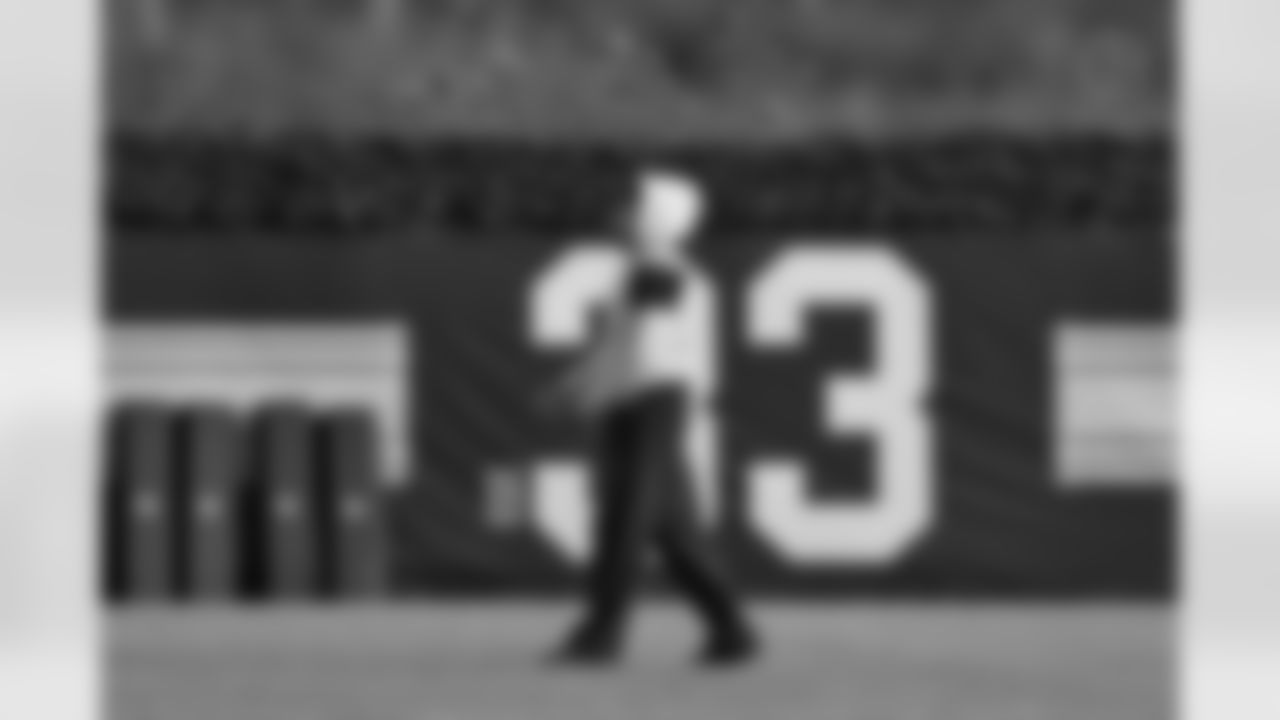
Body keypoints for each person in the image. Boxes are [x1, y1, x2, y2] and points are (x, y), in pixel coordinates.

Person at [540, 168, 760, 667]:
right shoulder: (643, 270)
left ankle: (602, 634)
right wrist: (576, 385)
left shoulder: (657, 267)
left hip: (651, 405)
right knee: (674, 532)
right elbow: (621, 344)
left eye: (634, 204)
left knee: (623, 519)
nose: (621, 212)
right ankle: (731, 629)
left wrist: (585, 388)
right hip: (643, 404)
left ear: (657, 217)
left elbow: (640, 349)